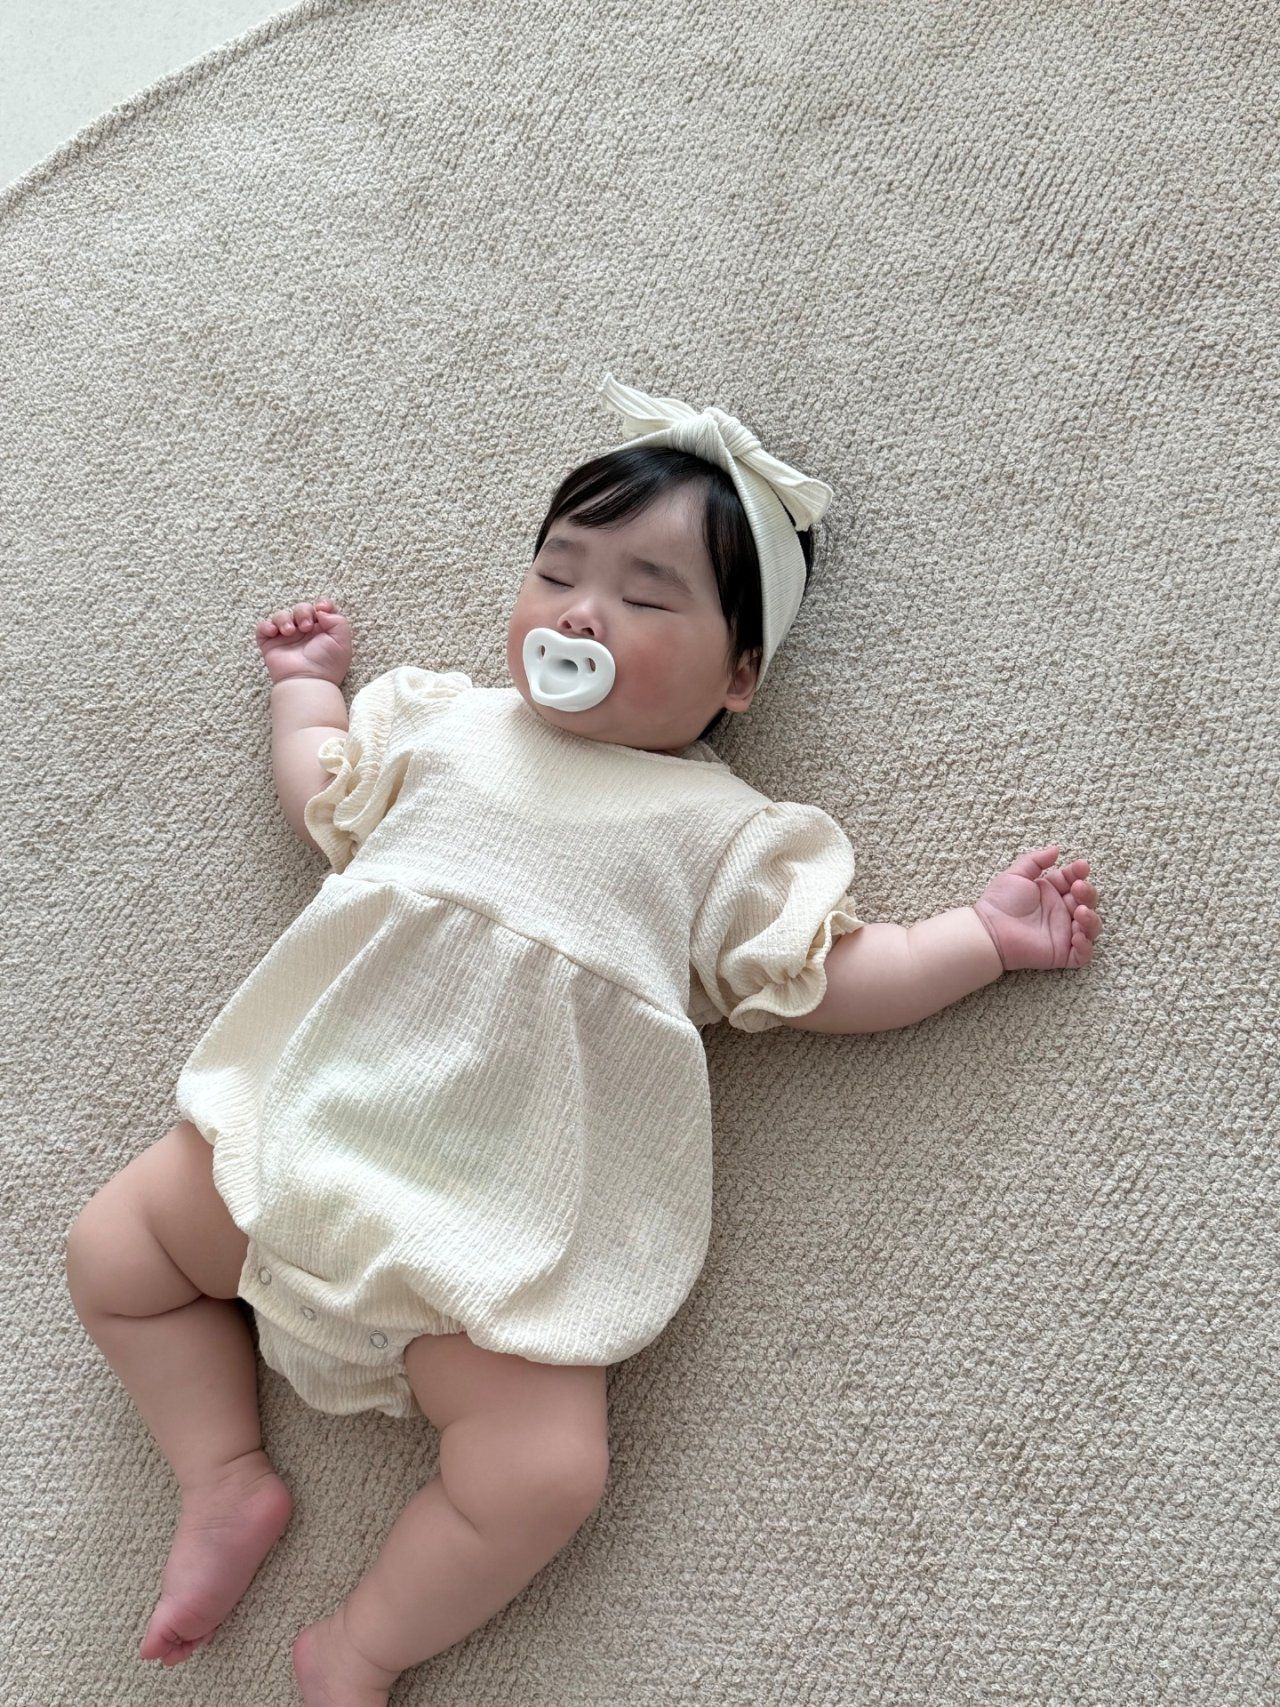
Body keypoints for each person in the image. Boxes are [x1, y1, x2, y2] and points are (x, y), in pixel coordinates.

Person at [63, 371, 1104, 1705]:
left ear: (739, 676)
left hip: (499, 1241)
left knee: (544, 1475)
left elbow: (835, 976)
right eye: (557, 571)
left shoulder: (721, 837)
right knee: (116, 1253)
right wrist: (307, 693)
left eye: (646, 598)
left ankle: (362, 1645)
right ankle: (222, 1476)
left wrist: (978, 938)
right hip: (307, 1139)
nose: (579, 613)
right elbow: (321, 793)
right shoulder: (446, 726)